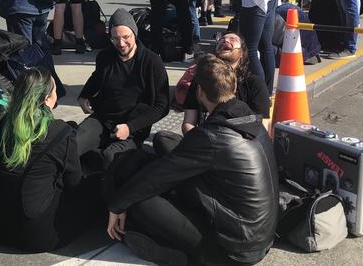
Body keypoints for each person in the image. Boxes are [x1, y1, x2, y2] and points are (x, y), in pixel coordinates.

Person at [106, 55, 278, 266]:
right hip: (261, 238)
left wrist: (117, 205)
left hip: (233, 252)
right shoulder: (252, 121)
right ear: (233, 88)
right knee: (165, 156)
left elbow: (156, 177)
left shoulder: (211, 136)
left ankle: (181, 256)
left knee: (140, 201)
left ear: (200, 93)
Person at [0, 68, 103, 253]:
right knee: (97, 185)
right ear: (47, 98)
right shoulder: (59, 132)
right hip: (37, 236)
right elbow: (73, 183)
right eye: (55, 89)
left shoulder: (3, 125)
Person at [76, 8, 169, 169]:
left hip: (132, 129)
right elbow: (96, 78)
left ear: (135, 34)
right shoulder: (105, 57)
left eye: (126, 37)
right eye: (115, 38)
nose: (121, 44)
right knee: (72, 145)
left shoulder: (152, 62)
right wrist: (84, 96)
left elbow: (162, 107)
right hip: (103, 120)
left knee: (110, 158)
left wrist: (130, 127)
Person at [154, 32, 270, 155]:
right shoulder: (201, 79)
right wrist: (203, 141)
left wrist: (222, 143)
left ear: (242, 53)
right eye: (221, 40)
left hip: (237, 150)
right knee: (163, 139)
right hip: (204, 144)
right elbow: (188, 123)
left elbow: (262, 128)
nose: (225, 41)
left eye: (233, 39)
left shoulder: (254, 84)